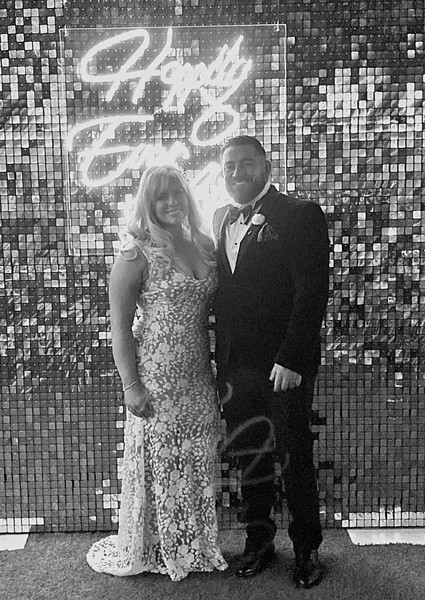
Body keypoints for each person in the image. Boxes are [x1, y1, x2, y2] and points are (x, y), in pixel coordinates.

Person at [87, 164, 228, 582]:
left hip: (198, 374)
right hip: (157, 377)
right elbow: (119, 328)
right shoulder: (135, 254)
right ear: (147, 203)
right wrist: (131, 386)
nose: (171, 203)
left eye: (177, 194)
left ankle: (194, 545)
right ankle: (157, 547)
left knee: (198, 457)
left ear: (187, 197)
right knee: (161, 461)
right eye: (161, 197)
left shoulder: (202, 244)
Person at [212, 136, 329, 588]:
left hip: (284, 367)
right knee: (250, 455)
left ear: (265, 167)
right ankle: (258, 541)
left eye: (246, 163)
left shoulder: (300, 214)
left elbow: (311, 293)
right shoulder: (220, 218)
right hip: (236, 366)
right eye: (229, 166)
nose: (236, 172)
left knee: (294, 456)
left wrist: (292, 358)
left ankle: (307, 548)